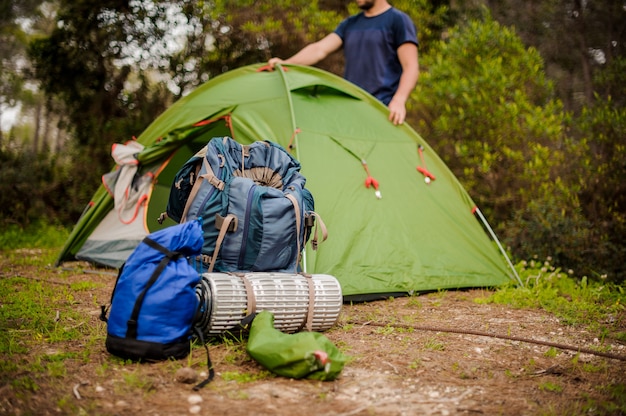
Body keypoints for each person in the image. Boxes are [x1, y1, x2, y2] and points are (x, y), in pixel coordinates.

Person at [268, 0, 419, 125]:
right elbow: (319, 49)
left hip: (382, 109)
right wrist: (286, 63)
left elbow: (411, 66)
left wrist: (399, 100)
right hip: (351, 107)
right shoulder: (350, 24)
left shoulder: (398, 20)